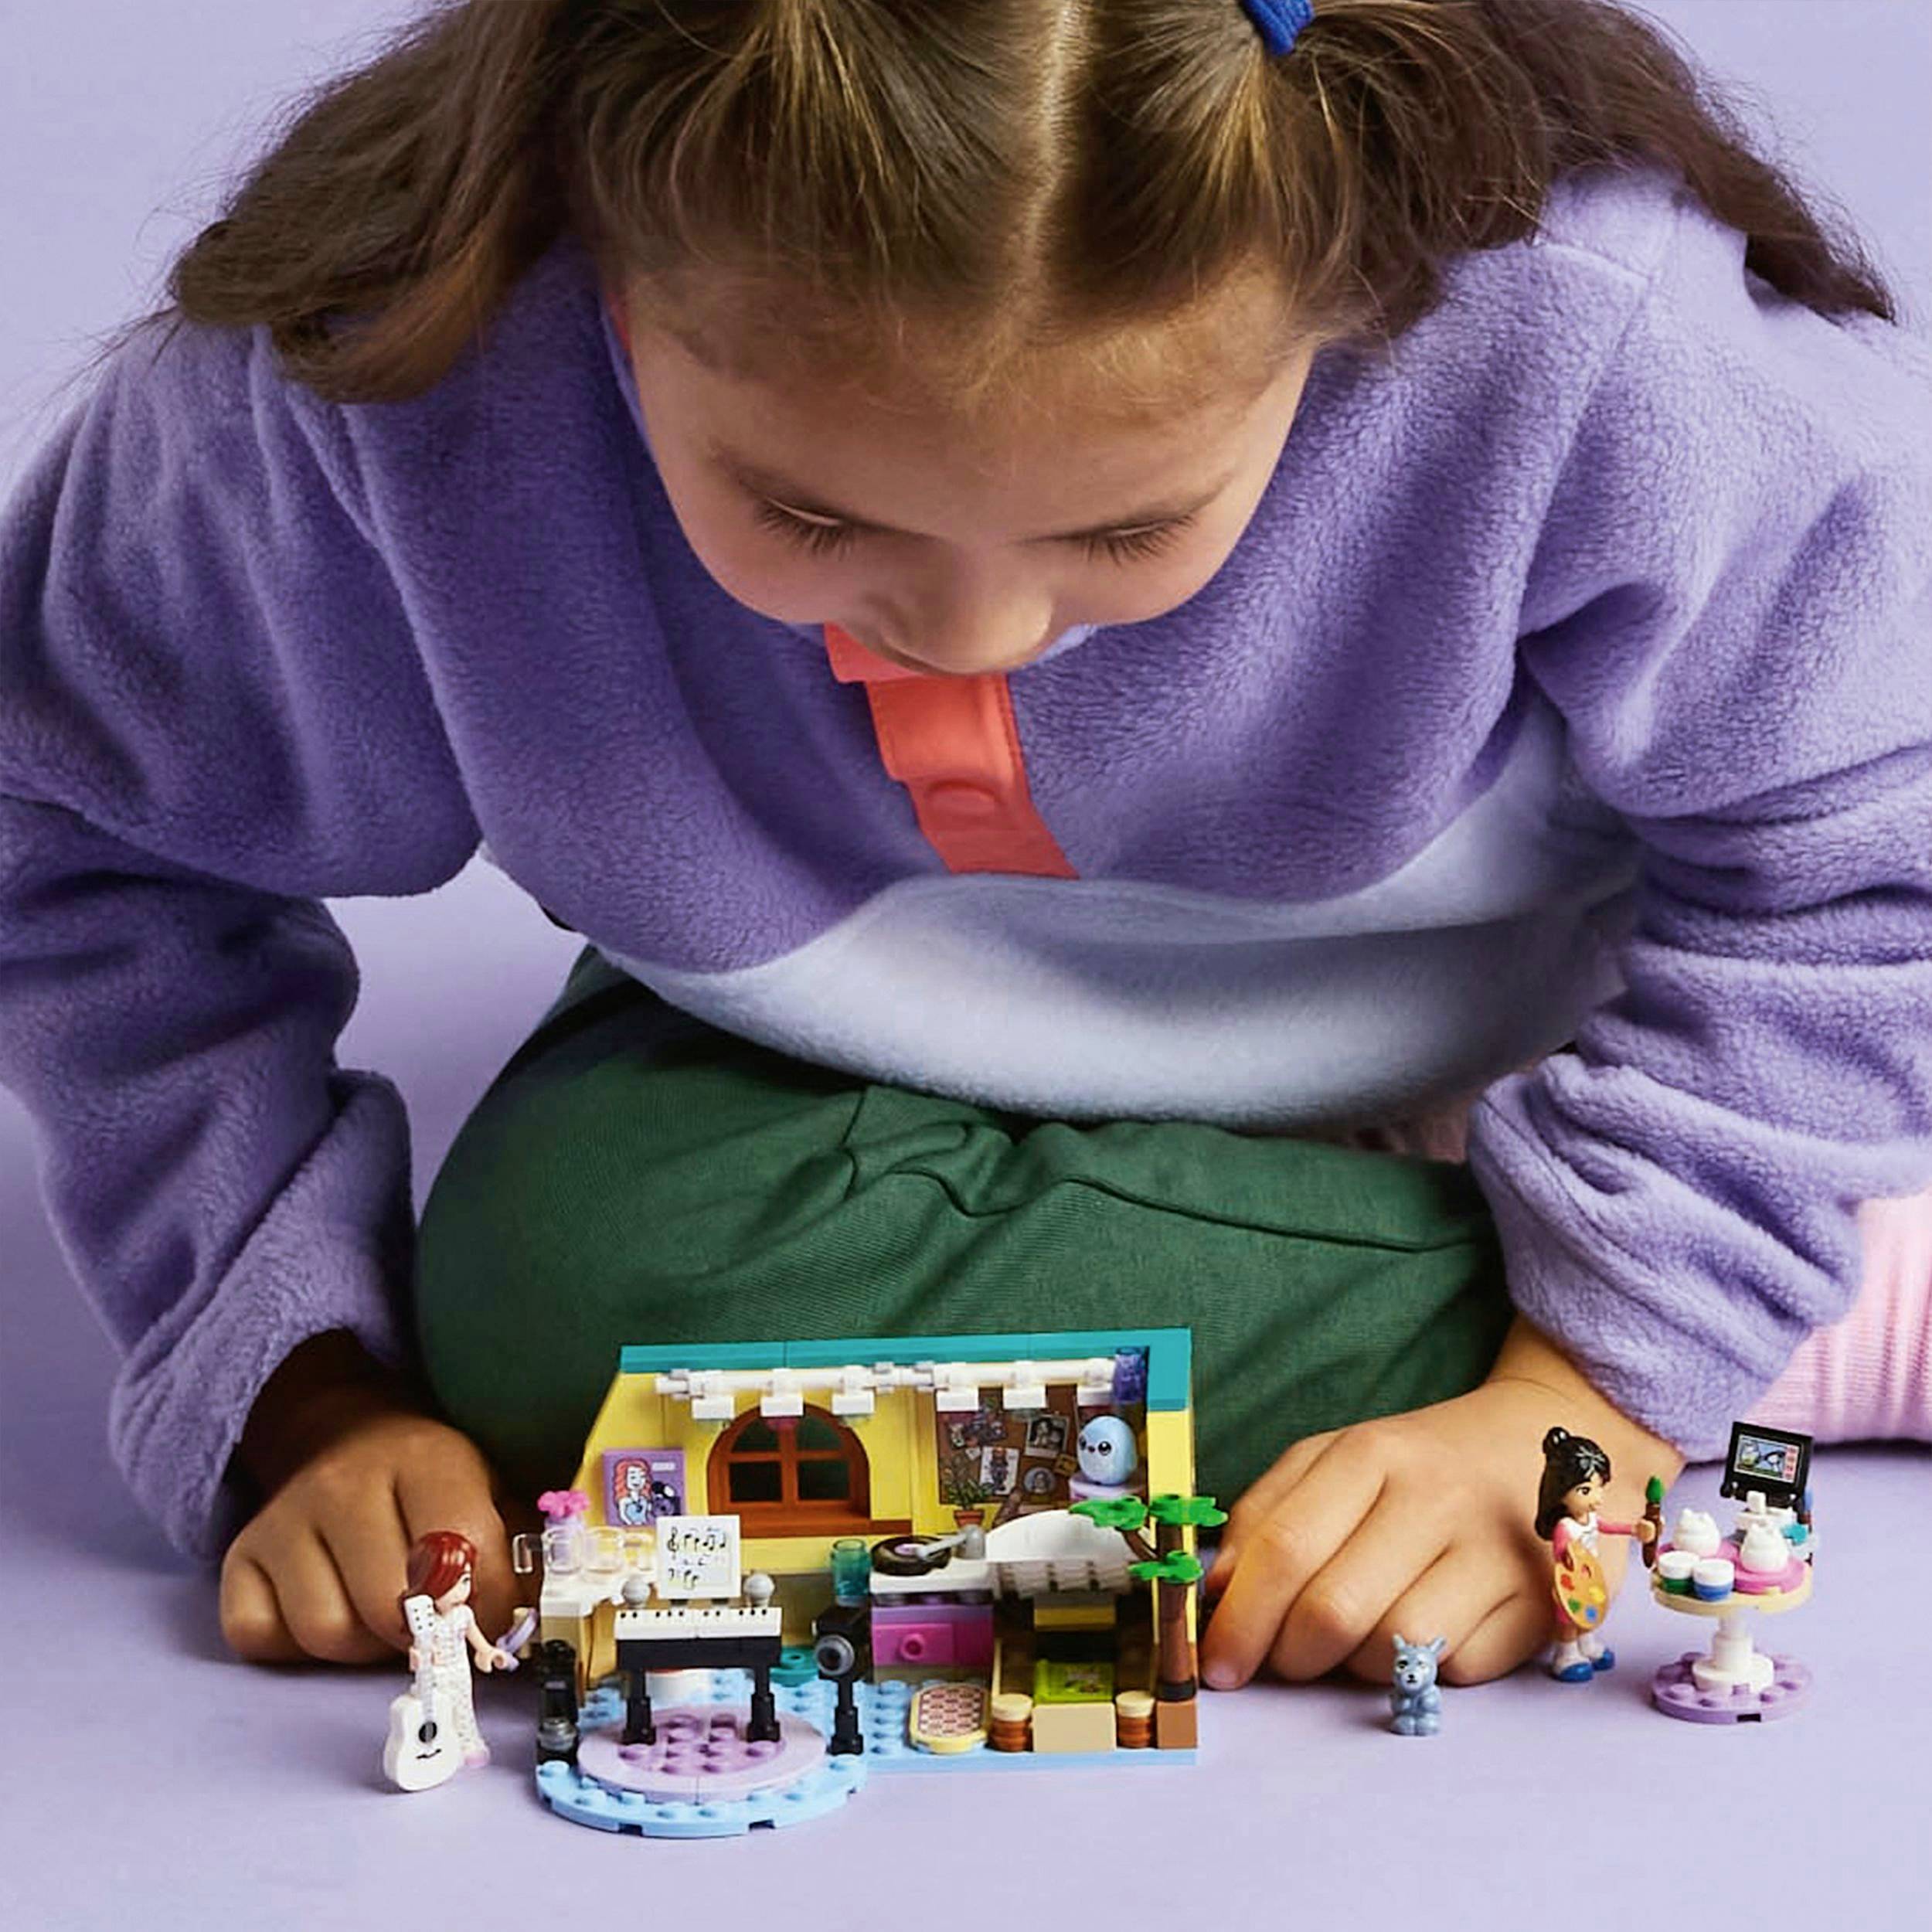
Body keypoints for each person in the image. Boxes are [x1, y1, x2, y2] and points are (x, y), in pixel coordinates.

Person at [2, 1, 1928, 1692]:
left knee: (696, 1450)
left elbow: (1870, 834)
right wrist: (302, 1390)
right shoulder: (399, 370)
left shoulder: (1575, 339)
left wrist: (1591, 1390)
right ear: (605, 275)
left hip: (1544, 1035)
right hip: (847, 1061)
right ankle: (1694, 1282)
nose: (974, 634)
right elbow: (78, 826)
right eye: (811, 515)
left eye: (1123, 533)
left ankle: (1761, 1323)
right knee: (564, 1323)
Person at [1533, 1427, 1656, 1681]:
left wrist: (1634, 1530)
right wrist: (1569, 1555)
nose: (1597, 1499)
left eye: (1600, 1488)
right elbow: (1562, 1551)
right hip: (1570, 1583)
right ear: (1560, 1492)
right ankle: (1565, 1654)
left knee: (1590, 1613)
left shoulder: (1589, 1518)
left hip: (1589, 1578)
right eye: (1586, 1491)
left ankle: (1586, 1644)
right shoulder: (1565, 1527)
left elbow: (1608, 1526)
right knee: (1569, 1618)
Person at [398, 1530, 515, 1769]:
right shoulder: (425, 1618)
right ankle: (440, 1746)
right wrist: (419, 1658)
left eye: (465, 1581)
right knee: (439, 1712)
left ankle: (468, 1741)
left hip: (460, 1671)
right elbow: (418, 1650)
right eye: (449, 1584)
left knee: (463, 1708)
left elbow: (478, 1642)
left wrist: (490, 1653)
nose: (460, 1592)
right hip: (436, 1677)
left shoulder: (464, 1615)